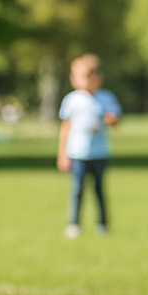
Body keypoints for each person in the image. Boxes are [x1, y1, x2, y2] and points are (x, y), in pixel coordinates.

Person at [53, 54, 119, 238]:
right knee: (77, 190)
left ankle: (102, 224)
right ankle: (74, 223)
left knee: (99, 190)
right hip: (78, 152)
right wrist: (62, 154)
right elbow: (65, 128)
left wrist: (109, 118)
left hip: (99, 153)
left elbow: (116, 121)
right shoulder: (72, 100)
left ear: (97, 77)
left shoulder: (105, 98)